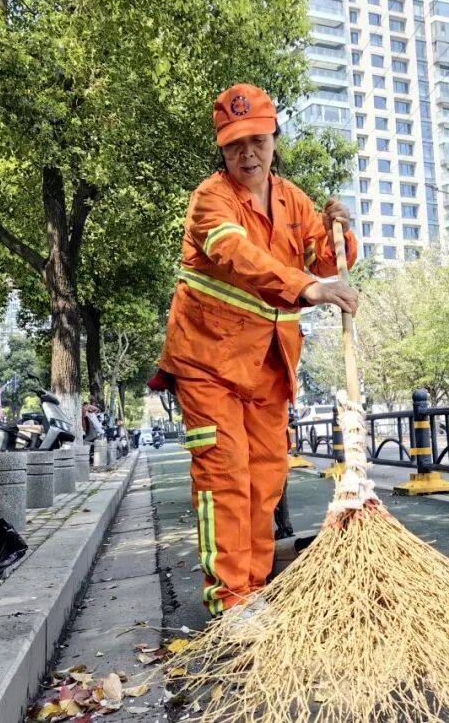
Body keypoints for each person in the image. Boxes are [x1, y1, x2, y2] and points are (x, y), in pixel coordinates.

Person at [153, 83, 359, 616]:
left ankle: (255, 589)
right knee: (226, 477)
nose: (247, 154)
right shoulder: (211, 200)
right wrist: (305, 286)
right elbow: (235, 253)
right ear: (222, 150)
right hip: (207, 363)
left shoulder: (295, 201)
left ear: (274, 138)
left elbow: (329, 263)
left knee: (265, 477)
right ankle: (231, 600)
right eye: (234, 144)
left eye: (256, 141)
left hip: (269, 365)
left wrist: (342, 232)